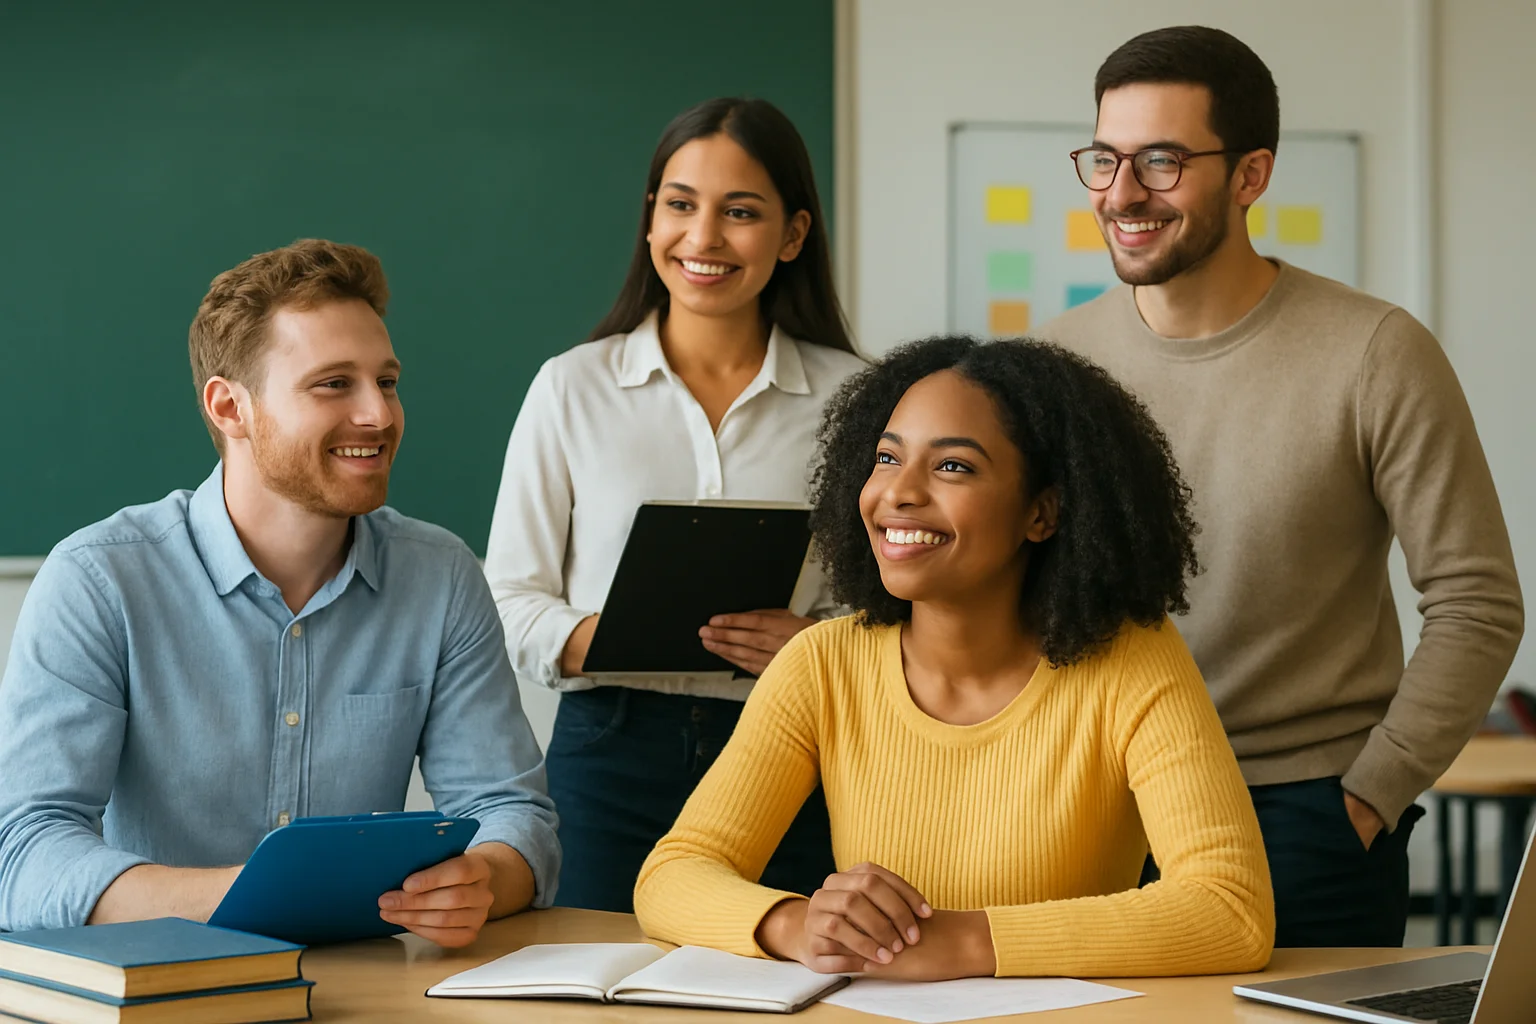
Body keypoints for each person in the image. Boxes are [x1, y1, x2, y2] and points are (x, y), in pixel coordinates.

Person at [1038, 25, 1524, 947]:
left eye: (1162, 160)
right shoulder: (1053, 364)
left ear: (1252, 175)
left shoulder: (1376, 352)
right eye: (1104, 158)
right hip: (1096, 808)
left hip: (1304, 821)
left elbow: (1477, 600)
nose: (1122, 193)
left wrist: (1371, 796)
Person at [633, 336, 1274, 979]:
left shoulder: (1133, 659)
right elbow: (671, 875)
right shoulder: (822, 663)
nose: (899, 493)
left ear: (1042, 513)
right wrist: (799, 925)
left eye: (953, 467)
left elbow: (1230, 910)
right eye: (887, 458)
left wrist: (964, 943)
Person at [0, 240, 559, 944]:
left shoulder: (440, 576)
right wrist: (270, 894)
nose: (380, 416)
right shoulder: (97, 580)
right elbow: (23, 856)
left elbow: (513, 814)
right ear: (230, 407)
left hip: (360, 992)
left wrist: (484, 878)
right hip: (149, 991)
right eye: (334, 384)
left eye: (386, 382)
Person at [484, 97, 865, 913]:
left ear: (793, 235)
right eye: (681, 205)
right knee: (598, 983)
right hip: (608, 754)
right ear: (650, 220)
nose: (704, 239)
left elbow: (894, 606)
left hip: (789, 751)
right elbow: (509, 601)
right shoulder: (571, 387)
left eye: (741, 213)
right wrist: (613, 641)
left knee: (790, 985)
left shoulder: (857, 399)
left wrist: (813, 646)